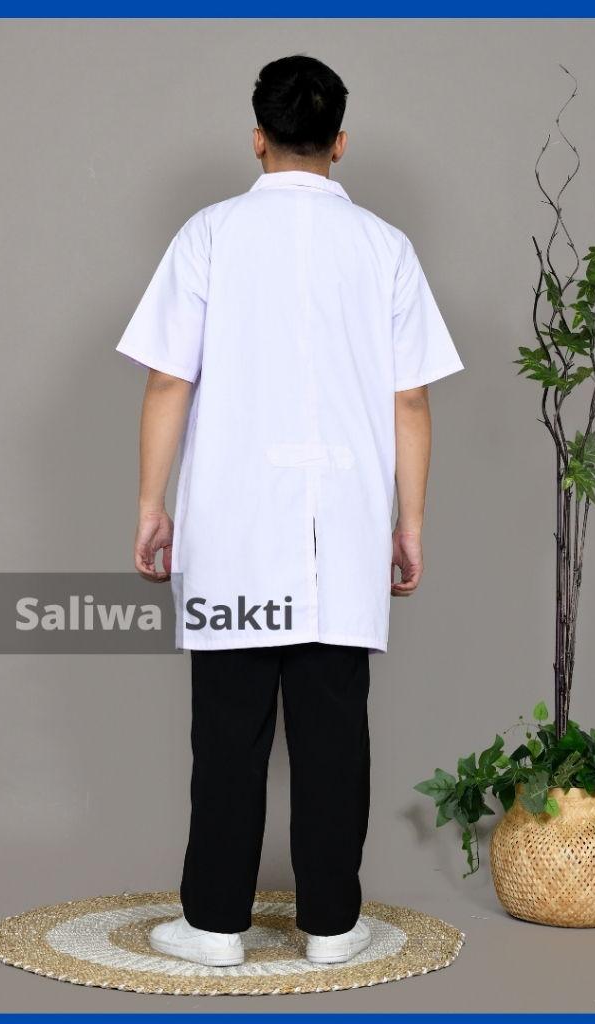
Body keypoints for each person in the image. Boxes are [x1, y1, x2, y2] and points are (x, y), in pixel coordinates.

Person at [116, 55, 462, 968]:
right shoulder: (385, 247)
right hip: (343, 526)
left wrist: (152, 505)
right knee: (334, 729)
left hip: (233, 523)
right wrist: (410, 523)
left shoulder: (210, 235)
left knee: (228, 729)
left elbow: (168, 380)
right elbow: (411, 399)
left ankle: (214, 926)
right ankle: (333, 927)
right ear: (340, 142)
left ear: (257, 138)